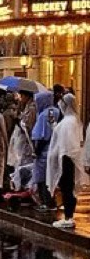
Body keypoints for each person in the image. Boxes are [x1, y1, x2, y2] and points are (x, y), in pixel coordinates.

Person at [48, 93, 85, 229]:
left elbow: (67, 143)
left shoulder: (69, 121)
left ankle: (69, 217)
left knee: (67, 188)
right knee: (67, 188)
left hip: (66, 160)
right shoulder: (72, 120)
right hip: (67, 159)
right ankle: (68, 216)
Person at [31, 91, 58, 210]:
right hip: (54, 148)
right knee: (50, 176)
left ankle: (46, 202)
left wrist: (36, 151)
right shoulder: (55, 111)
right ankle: (51, 201)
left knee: (42, 177)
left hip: (44, 151)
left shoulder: (44, 115)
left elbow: (43, 135)